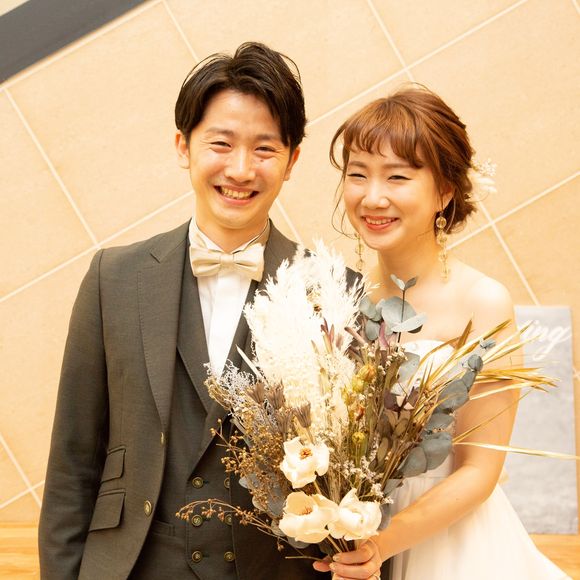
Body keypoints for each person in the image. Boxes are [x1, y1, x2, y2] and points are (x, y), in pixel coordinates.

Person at [38, 42, 322, 579]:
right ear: (183, 146)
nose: (240, 169)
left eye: (264, 149)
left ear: (292, 161)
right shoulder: (113, 278)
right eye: (221, 143)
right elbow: (73, 462)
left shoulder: (329, 291)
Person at [313, 86, 570, 580]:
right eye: (358, 174)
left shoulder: (483, 301)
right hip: (353, 545)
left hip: (450, 546)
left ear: (445, 191)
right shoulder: (338, 300)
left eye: (397, 177)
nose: (373, 197)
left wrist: (380, 545)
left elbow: (480, 471)